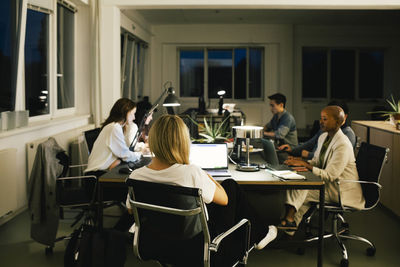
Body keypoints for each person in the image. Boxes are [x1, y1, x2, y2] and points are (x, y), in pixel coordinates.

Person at [126, 115, 278, 264]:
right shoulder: (191, 172)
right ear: (183, 143)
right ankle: (261, 233)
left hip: (156, 243)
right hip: (196, 247)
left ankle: (261, 232)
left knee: (206, 199)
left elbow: (131, 210)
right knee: (230, 186)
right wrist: (204, 174)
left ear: (152, 140)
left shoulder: (136, 176)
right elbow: (224, 199)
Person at [278, 106, 365, 231]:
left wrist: (307, 166)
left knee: (303, 189)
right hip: (330, 185)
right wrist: (300, 162)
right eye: (321, 118)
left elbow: (330, 176)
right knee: (298, 187)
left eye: (325, 119)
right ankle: (289, 225)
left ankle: (287, 222)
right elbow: (316, 161)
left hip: (340, 190)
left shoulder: (343, 144)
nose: (321, 121)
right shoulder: (323, 137)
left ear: (337, 122)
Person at [85, 98, 148, 175]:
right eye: (132, 114)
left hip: (99, 172)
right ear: (125, 112)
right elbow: (124, 154)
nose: (134, 117)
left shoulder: (114, 126)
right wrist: (140, 154)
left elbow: (122, 153)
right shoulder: (114, 127)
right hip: (96, 174)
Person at [278, 100, 356, 160]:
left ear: (344, 117)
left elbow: (329, 158)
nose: (322, 122)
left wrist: (308, 156)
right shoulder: (325, 131)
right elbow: (309, 144)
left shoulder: (347, 135)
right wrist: (292, 150)